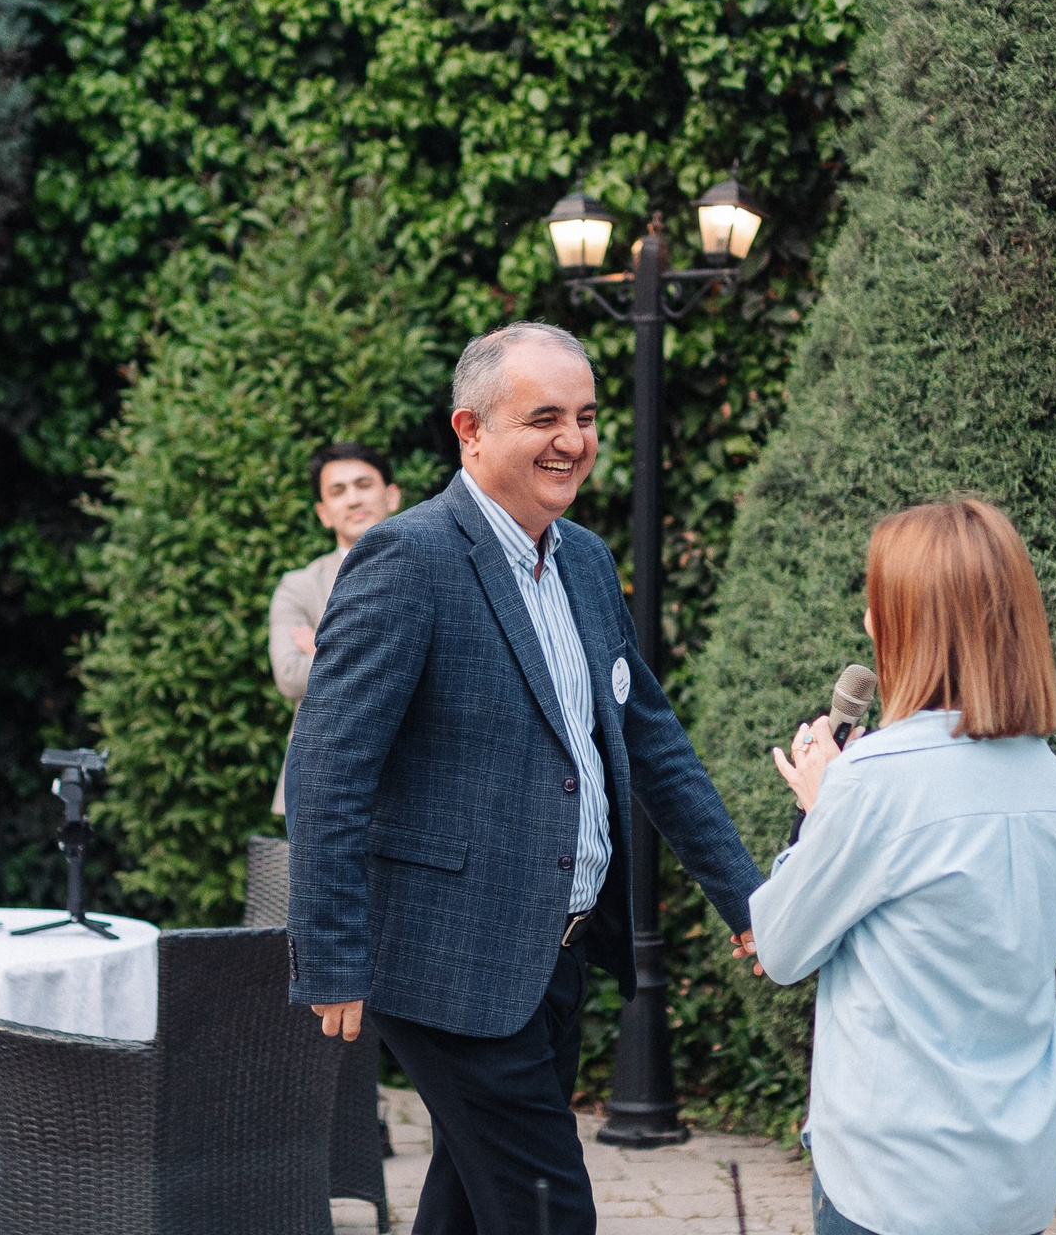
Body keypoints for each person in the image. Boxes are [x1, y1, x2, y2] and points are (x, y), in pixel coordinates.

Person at [284, 321, 764, 1235]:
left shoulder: (583, 558)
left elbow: (652, 742)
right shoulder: (408, 558)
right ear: (470, 431)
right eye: (544, 418)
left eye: (586, 417)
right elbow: (328, 770)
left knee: (470, 1205)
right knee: (550, 1211)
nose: (572, 441)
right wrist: (332, 955)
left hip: (553, 957)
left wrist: (745, 897)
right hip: (447, 964)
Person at [748, 498, 1056, 1235]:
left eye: (880, 605)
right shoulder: (1051, 781)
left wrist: (820, 804)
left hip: (892, 1182)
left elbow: (780, 947)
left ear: (911, 626)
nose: (868, 622)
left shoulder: (874, 781)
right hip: (1015, 1178)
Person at [267, 442, 401, 815]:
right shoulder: (299, 587)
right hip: (322, 780)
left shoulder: (438, 570)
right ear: (323, 513)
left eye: (363, 484)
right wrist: (389, 655)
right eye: (338, 491)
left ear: (392, 496)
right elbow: (291, 676)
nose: (353, 499)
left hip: (417, 780)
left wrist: (326, 650)